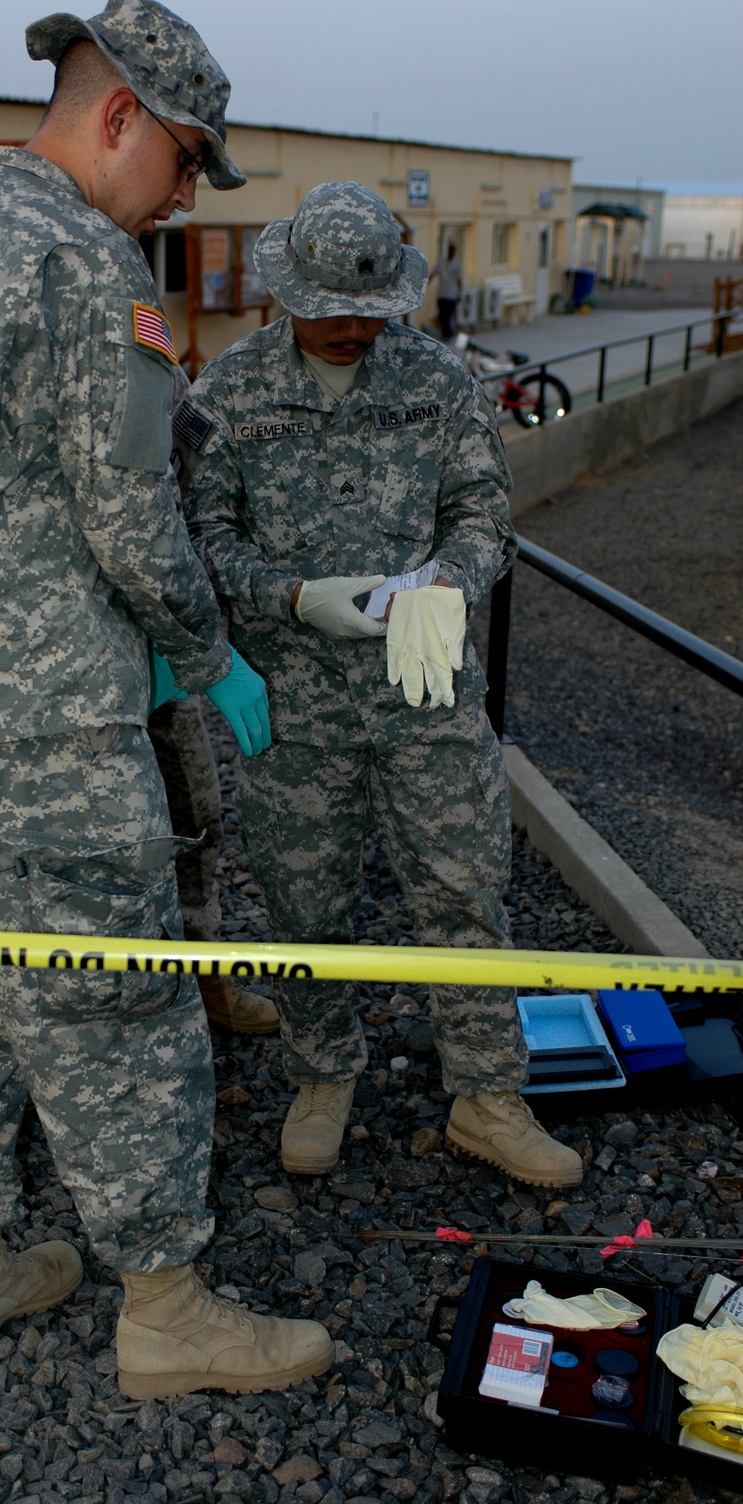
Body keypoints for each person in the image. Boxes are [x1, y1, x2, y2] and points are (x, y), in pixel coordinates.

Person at [0, 1, 332, 1398]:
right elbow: (132, 519)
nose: (183, 200)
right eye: (183, 165)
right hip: (33, 717)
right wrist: (205, 651)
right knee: (115, 1002)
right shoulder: (76, 261)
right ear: (118, 118)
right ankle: (166, 1310)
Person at [175, 181, 584, 1191]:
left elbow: (484, 509)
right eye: (333, 309)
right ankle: (323, 1073)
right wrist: (292, 595)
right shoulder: (225, 394)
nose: (354, 326)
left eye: (371, 307)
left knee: (463, 887)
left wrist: (451, 581)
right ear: (287, 293)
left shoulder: (437, 379)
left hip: (426, 690)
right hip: (295, 700)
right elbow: (194, 542)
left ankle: (487, 1095)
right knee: (304, 897)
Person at [149, 364, 278, 1036]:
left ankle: (207, 986)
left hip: (163, 673)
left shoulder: (152, 364)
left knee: (197, 827)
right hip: (70, 691)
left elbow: (197, 491)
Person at [432, 240, 463, 338]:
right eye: (449, 249)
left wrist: (459, 293)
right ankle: (443, 332)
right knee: (442, 315)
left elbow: (459, 280)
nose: (450, 251)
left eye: (452, 250)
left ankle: (449, 333)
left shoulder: (457, 264)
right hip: (441, 293)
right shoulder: (442, 262)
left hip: (451, 294)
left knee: (449, 315)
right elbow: (433, 273)